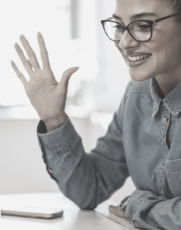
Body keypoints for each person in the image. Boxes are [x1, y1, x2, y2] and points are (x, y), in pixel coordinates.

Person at [11, 0, 181, 229]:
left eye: (142, 25)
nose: (125, 42)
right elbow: (90, 190)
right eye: (120, 26)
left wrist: (136, 205)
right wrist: (54, 120)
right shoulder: (136, 96)